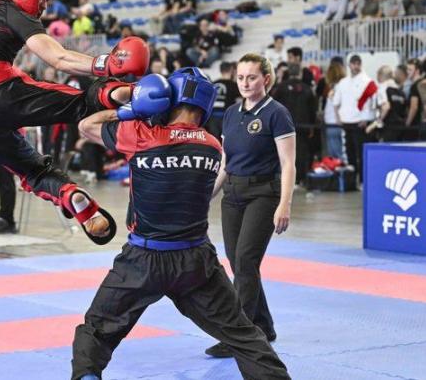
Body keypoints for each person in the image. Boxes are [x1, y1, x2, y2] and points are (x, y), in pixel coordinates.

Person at [72, 68, 290, 380]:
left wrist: (134, 107)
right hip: (195, 263)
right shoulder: (213, 146)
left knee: (95, 332)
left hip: (142, 262)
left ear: (168, 98)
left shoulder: (141, 135)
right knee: (243, 335)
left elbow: (86, 125)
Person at [0, 0, 150, 243]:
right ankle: (116, 91)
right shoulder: (10, 9)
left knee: (32, 171)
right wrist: (108, 65)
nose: (44, 4)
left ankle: (78, 203)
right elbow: (58, 57)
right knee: (78, 103)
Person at [205, 53, 296, 358]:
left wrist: (285, 204)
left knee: (245, 261)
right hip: (232, 194)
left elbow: (288, 164)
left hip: (263, 193)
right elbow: (226, 163)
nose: (245, 83)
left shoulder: (277, 113)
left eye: (252, 77)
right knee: (241, 264)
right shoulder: (230, 114)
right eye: (241, 77)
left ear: (266, 80)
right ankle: (263, 326)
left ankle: (238, 335)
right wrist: (208, 195)